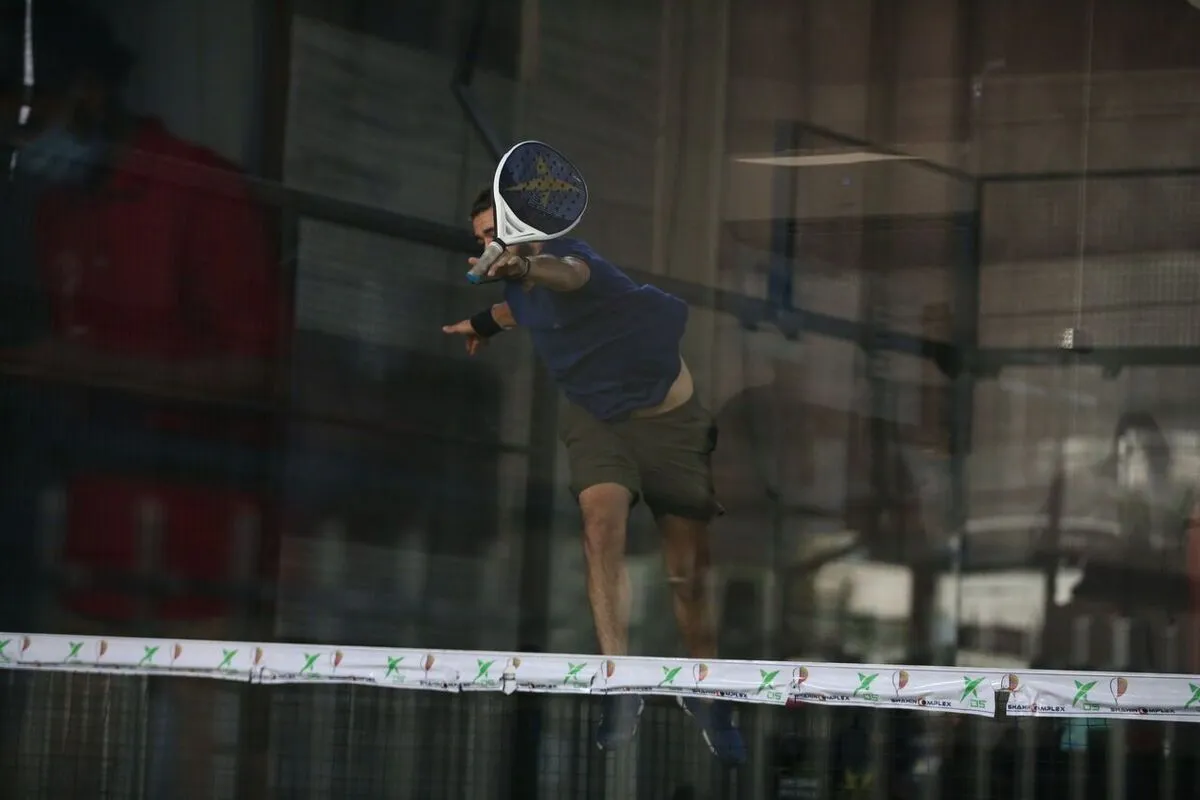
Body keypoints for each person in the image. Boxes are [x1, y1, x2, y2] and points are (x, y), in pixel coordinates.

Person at [0, 2, 284, 796]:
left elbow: (257, 371)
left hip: (200, 550)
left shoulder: (196, 190)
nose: (24, 144)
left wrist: (92, 368)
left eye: (32, 121)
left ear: (87, 94)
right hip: (90, 544)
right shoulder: (59, 206)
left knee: (196, 769)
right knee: (63, 762)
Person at [443, 188, 746, 765]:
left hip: (671, 424)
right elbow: (521, 310)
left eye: (496, 232)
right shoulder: (519, 288)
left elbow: (566, 278)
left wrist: (523, 268)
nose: (488, 243)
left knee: (687, 576)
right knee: (599, 528)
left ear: (526, 230)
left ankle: (708, 695)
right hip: (596, 421)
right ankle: (619, 683)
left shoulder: (577, 261)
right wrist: (482, 323)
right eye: (481, 237)